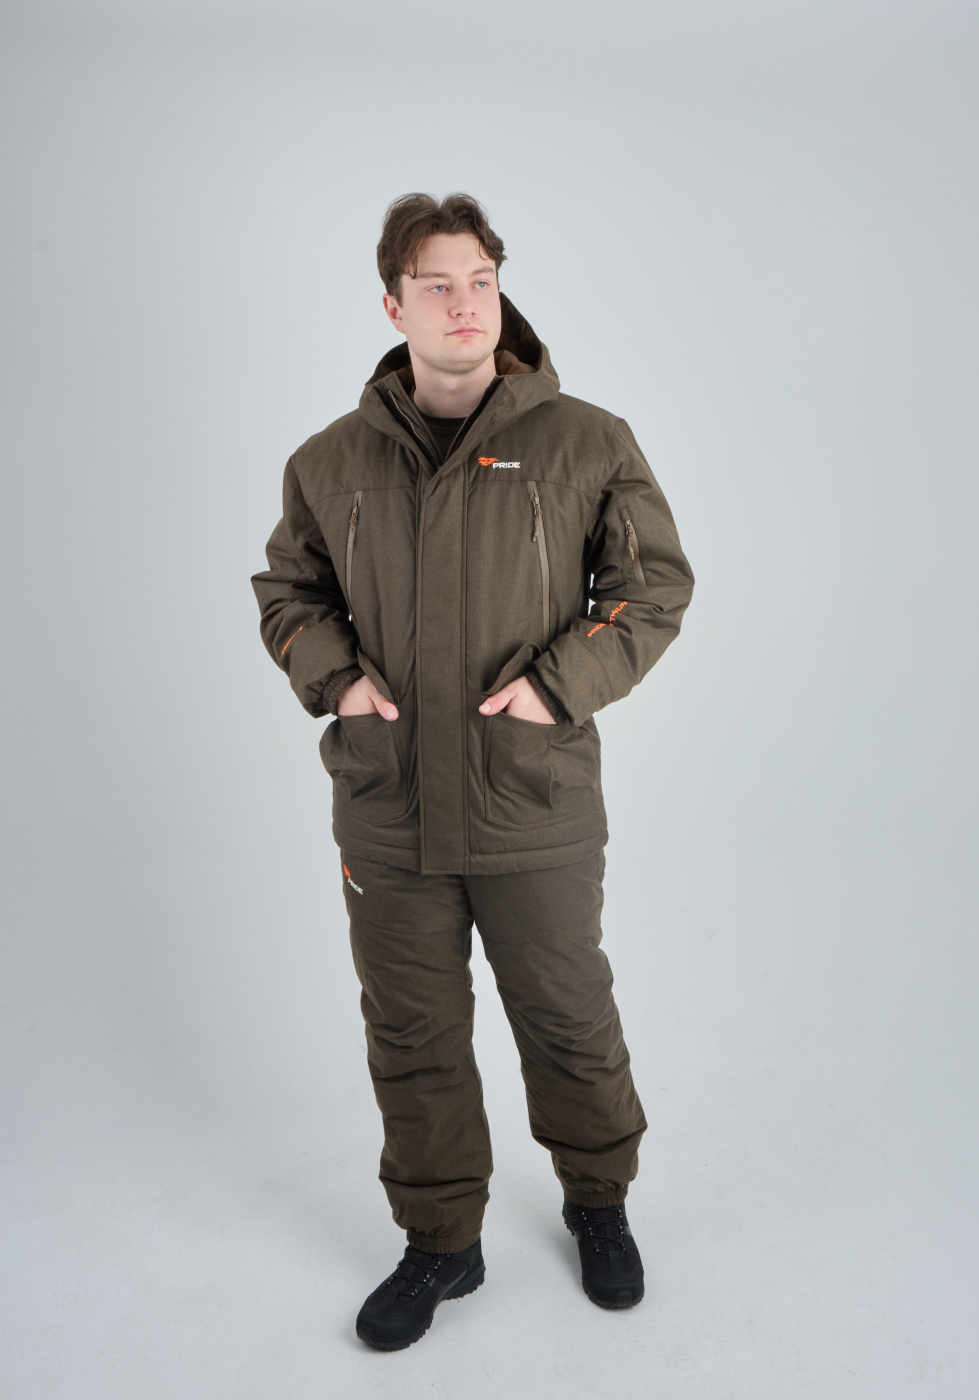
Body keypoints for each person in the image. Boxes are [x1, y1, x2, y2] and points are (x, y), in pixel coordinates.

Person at [251, 192, 694, 1351]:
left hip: (531, 796)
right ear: (392, 305)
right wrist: (339, 681)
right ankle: (441, 1238)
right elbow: (289, 592)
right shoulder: (329, 460)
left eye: (481, 279)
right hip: (387, 804)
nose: (464, 303)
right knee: (411, 1032)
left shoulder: (587, 441)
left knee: (566, 1013)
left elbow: (651, 586)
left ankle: (597, 1199)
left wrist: (558, 684)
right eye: (436, 284)